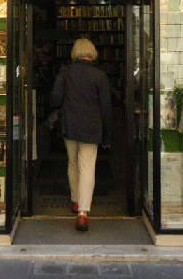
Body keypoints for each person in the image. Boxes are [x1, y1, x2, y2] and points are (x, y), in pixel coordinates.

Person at [50, 38, 112, 232]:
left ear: (75, 53)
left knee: (72, 163)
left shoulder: (66, 72)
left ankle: (75, 200)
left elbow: (54, 98)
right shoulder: (99, 76)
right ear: (92, 53)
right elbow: (106, 108)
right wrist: (107, 135)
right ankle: (82, 214)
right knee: (87, 168)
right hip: (91, 129)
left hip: (70, 126)